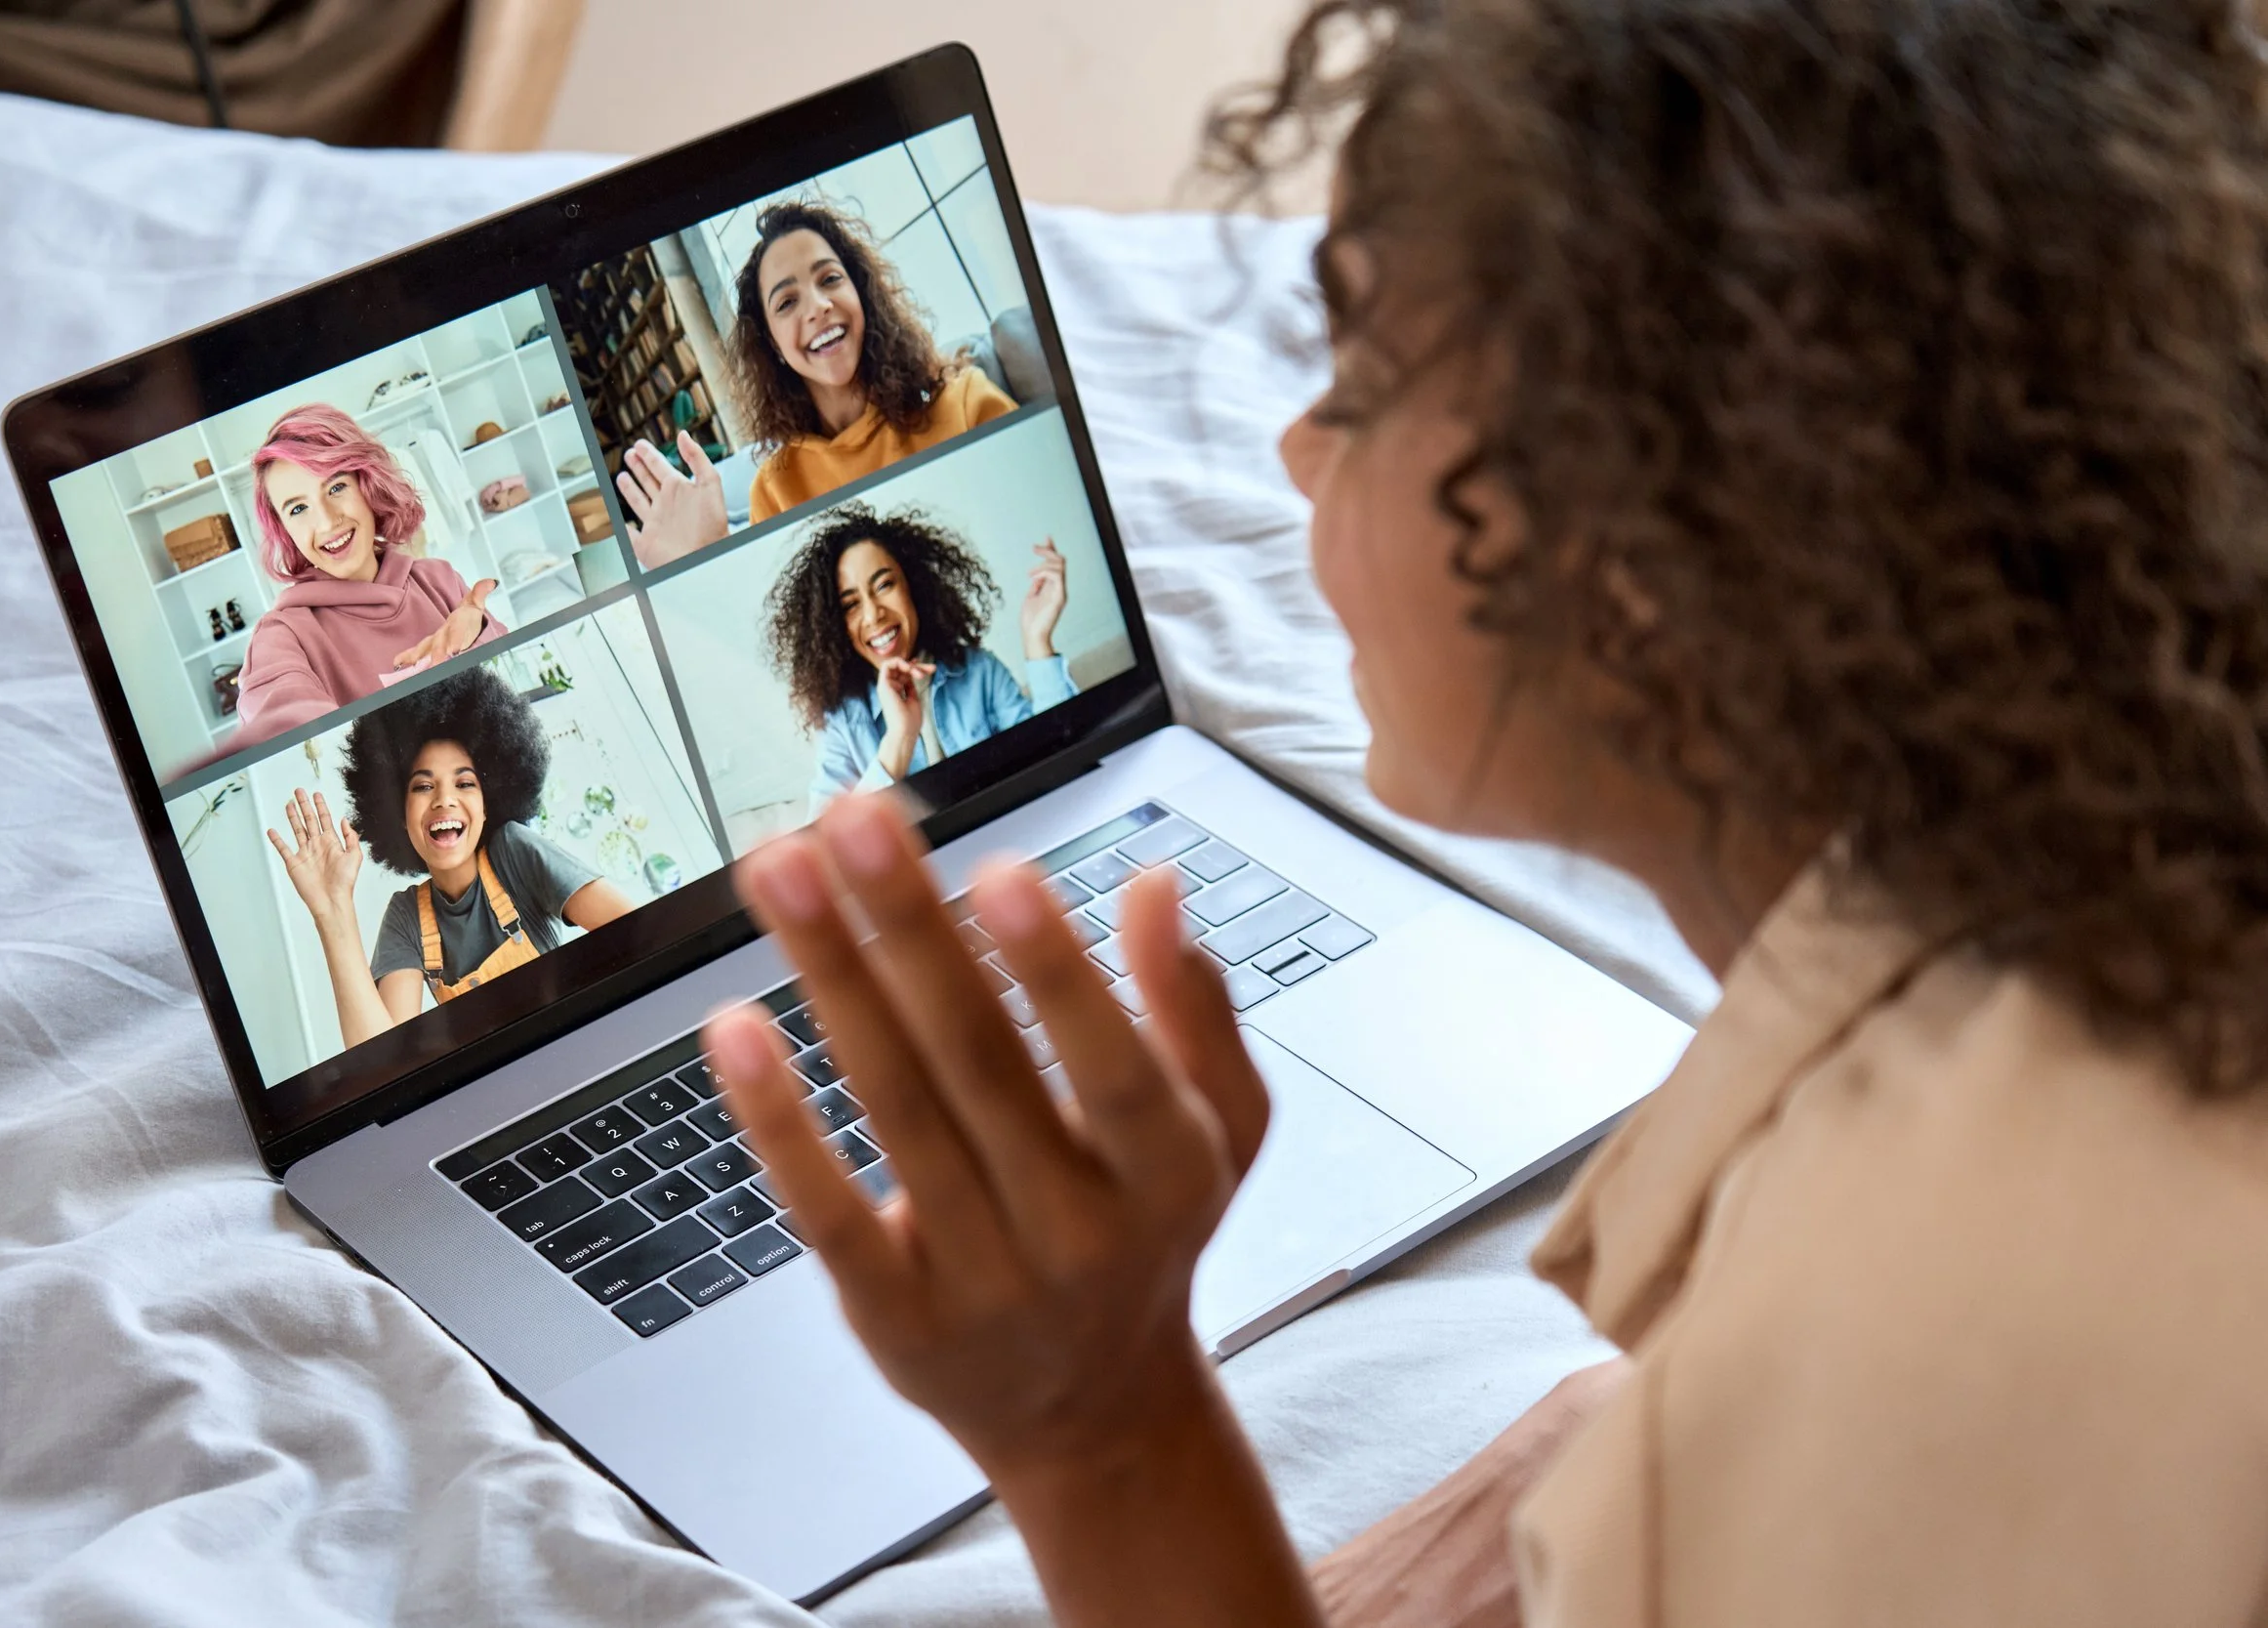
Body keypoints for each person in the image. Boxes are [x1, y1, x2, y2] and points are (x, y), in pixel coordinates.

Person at [694, 0, 2268, 1624]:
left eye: (1363, 383)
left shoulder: (1875, 1362)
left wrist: (1096, 1422)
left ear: (1652, 542)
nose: (1298, 443)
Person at [613, 200, 1018, 567]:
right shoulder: (775, 488)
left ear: (861, 292)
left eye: (829, 279)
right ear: (772, 344)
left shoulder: (965, 403)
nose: (818, 306)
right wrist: (713, 558)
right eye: (787, 302)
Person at [267, 666, 636, 1050]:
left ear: (488, 802)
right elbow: (381, 1063)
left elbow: (638, 933)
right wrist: (332, 909)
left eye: (464, 783)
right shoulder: (407, 915)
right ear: (399, 816)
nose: (444, 798)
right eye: (423, 786)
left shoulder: (514, 851)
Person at [763, 501, 1070, 812]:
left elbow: (1059, 759)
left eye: (884, 585)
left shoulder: (979, 671)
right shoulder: (843, 724)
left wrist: (1037, 639)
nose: (873, 614)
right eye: (850, 605)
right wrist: (899, 737)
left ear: (913, 585)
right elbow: (829, 847)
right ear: (833, 626)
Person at [229, 404, 505, 748]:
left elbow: (510, 694)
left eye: (336, 488)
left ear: (367, 484)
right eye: (298, 509)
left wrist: (480, 638)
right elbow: (281, 722)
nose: (328, 522)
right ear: (286, 531)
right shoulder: (282, 637)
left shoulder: (438, 579)